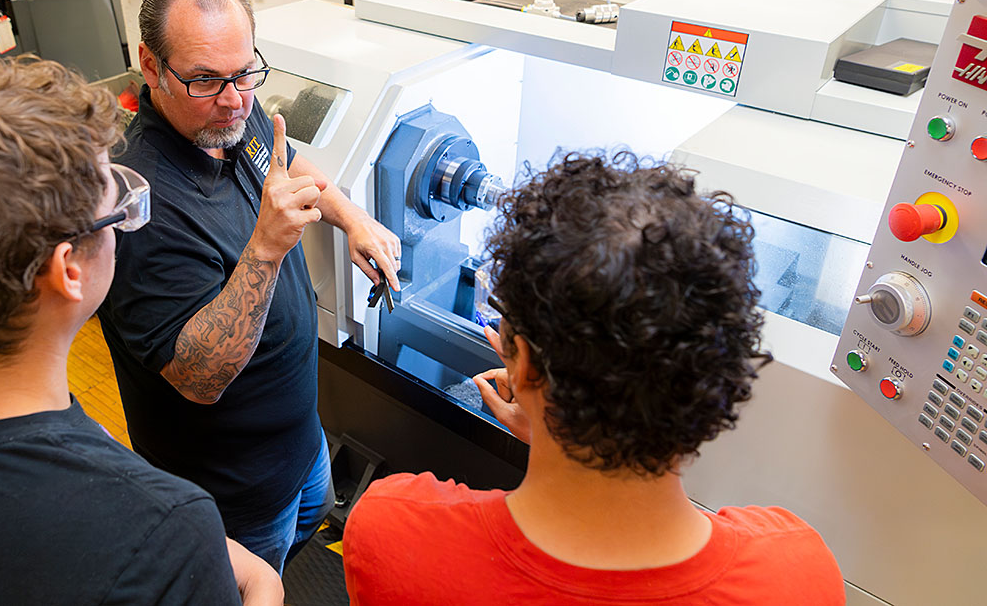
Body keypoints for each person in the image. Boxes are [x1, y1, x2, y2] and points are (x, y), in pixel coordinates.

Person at [0, 56, 281, 606]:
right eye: (120, 205)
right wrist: (256, 580)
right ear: (69, 271)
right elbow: (238, 576)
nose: (129, 216)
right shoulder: (161, 531)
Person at [342, 150, 846, 605]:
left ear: (521, 363)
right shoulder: (798, 572)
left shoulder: (394, 531)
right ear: (712, 376)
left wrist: (557, 430)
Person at [96, 0, 401, 572]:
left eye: (244, 73)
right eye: (205, 79)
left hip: (299, 438)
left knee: (305, 529)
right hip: (231, 492)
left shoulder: (229, 114)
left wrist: (350, 217)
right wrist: (265, 249)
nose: (234, 98)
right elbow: (199, 377)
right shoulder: (139, 209)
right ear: (150, 67)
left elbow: (284, 162)